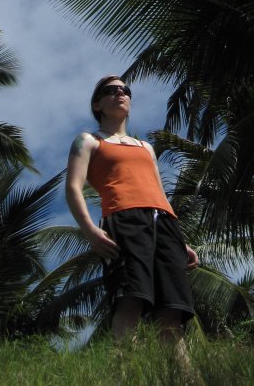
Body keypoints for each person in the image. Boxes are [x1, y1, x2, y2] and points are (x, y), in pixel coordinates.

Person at [65, 75, 198, 340]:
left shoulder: (145, 147)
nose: (120, 93)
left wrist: (180, 240)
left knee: (172, 310)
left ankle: (184, 380)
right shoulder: (89, 141)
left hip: (164, 223)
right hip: (124, 218)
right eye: (110, 90)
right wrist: (90, 230)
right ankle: (123, 374)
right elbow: (72, 188)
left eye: (124, 90)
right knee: (131, 300)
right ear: (97, 104)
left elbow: (160, 192)